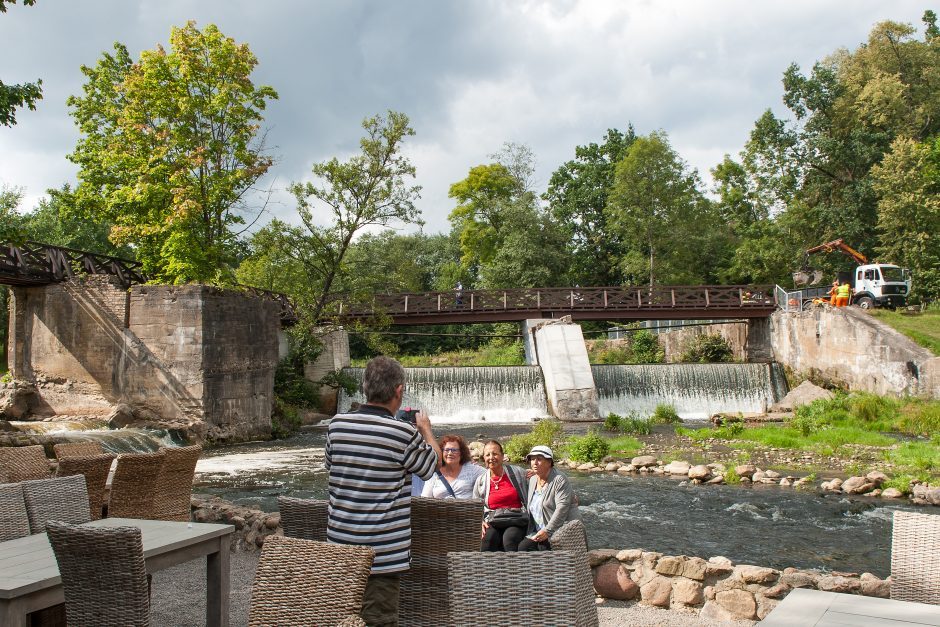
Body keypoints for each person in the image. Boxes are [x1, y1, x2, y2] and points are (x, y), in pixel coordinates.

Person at [325, 356, 441, 627]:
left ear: (365, 387)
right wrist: (426, 432)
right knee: (378, 620)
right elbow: (430, 466)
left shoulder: (336, 425)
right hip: (381, 555)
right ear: (399, 391)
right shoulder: (402, 432)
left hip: (340, 549)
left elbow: (332, 466)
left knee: (342, 618)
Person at [518, 445, 581, 552]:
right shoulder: (533, 479)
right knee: (522, 548)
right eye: (533, 459)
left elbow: (562, 508)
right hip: (538, 532)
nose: (535, 462)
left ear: (549, 462)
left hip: (561, 532)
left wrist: (547, 531)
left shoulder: (559, 479)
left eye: (539, 459)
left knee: (543, 550)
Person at [472, 440, 529, 552]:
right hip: (493, 519)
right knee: (487, 540)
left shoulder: (517, 473)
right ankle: (488, 569)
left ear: (502, 456)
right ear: (484, 458)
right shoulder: (481, 480)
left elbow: (536, 482)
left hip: (516, 518)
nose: (491, 457)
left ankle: (513, 569)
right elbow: (475, 506)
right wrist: (480, 521)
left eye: (495, 453)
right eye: (487, 454)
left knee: (510, 539)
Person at [421, 435, 485, 499]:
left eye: (454, 450)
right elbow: (425, 498)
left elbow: (490, 475)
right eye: (446, 450)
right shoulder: (434, 473)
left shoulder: (472, 470)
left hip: (465, 508)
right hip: (440, 508)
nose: (450, 453)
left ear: (461, 453)